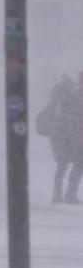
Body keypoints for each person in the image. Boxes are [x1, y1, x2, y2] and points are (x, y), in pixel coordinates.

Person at [43, 74, 83, 204]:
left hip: (69, 138)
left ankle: (63, 194)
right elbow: (70, 120)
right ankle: (66, 194)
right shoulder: (67, 101)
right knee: (67, 166)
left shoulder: (66, 100)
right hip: (67, 138)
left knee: (65, 166)